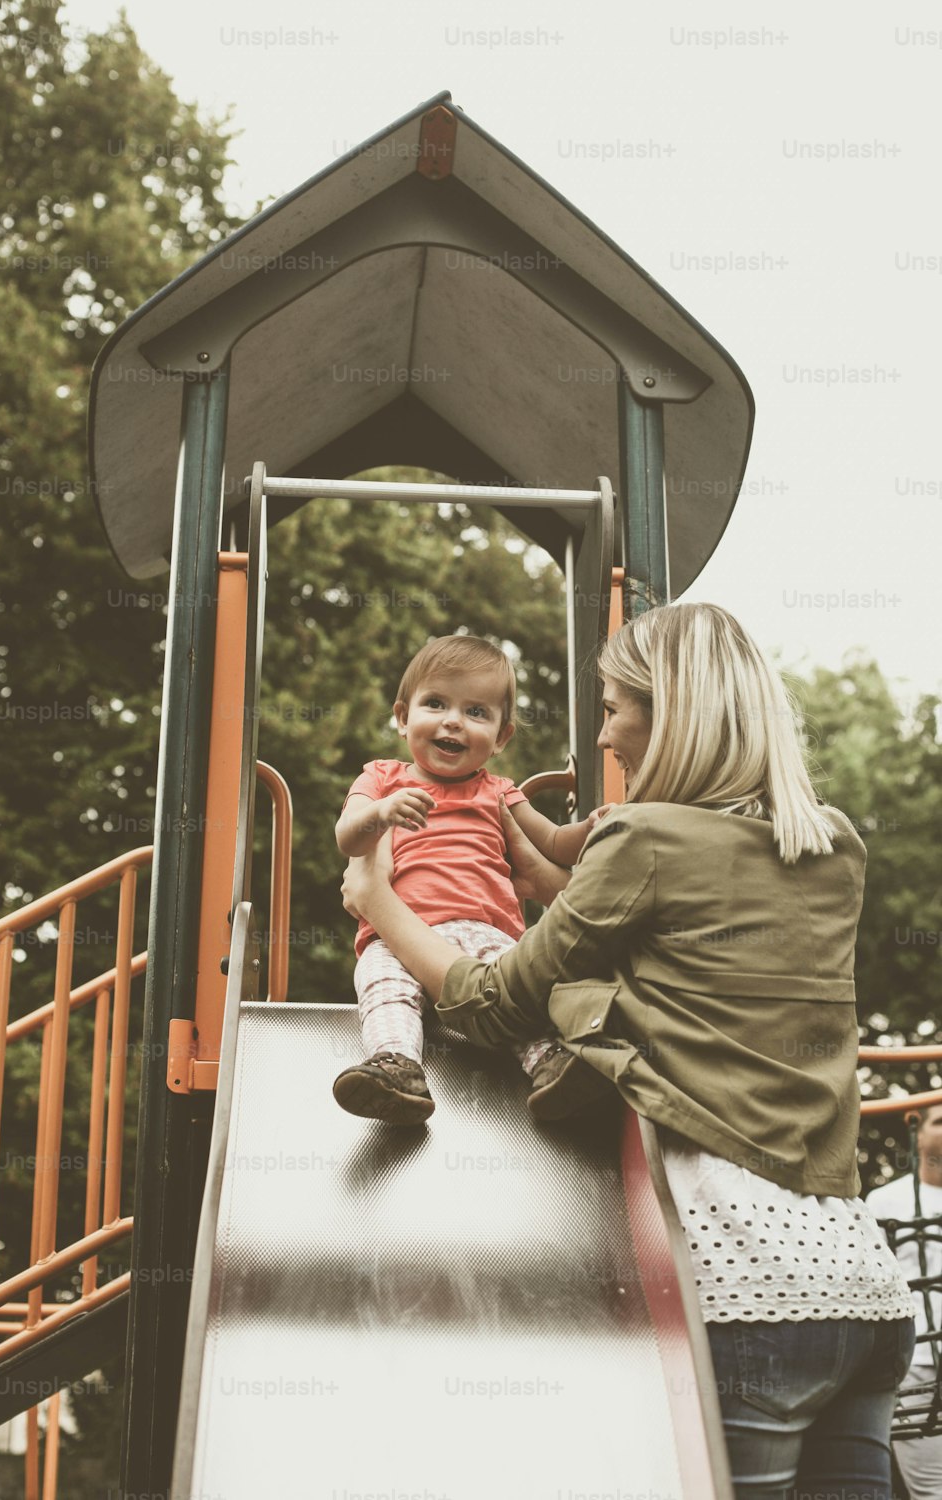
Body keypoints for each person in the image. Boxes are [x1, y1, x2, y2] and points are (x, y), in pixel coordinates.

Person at [342, 601, 917, 1500]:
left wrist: (379, 902)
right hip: (865, 1290)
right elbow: (702, 936)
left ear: (669, 712)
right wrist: (554, 882)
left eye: (614, 708)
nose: (605, 732)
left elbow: (491, 1004)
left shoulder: (640, 839)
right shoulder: (831, 842)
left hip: (742, 1285)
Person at [333, 633, 607, 1125]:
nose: (453, 721)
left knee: (521, 990)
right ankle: (397, 1068)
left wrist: (588, 830)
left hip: (485, 930)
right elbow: (347, 837)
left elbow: (553, 843)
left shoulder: (500, 792)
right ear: (402, 717)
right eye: (435, 703)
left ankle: (550, 1063)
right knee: (381, 983)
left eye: (476, 712)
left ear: (501, 738)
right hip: (397, 935)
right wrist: (380, 812)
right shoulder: (382, 777)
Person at [867, 1104, 942, 1500]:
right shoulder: (885, 1202)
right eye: (940, 1121)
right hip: (919, 1361)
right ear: (916, 1131)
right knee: (933, 1487)